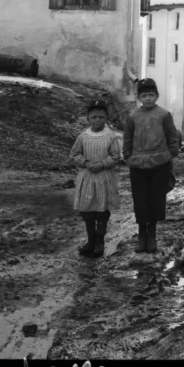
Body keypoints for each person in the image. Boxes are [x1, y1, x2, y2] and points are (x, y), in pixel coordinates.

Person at [123, 79, 181, 253]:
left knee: (156, 199)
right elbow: (127, 138)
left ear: (157, 96)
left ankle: (152, 235)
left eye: (151, 95)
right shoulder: (133, 117)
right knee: (140, 199)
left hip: (159, 164)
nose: (148, 98)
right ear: (139, 97)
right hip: (138, 165)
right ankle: (142, 236)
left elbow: (173, 136)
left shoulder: (164, 115)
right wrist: (128, 156)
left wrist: (171, 154)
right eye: (144, 95)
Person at [69, 100, 122, 259]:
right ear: (88, 118)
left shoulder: (110, 136)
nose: (97, 120)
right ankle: (90, 241)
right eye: (94, 117)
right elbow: (73, 155)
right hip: (87, 178)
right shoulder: (83, 136)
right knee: (88, 211)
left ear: (106, 117)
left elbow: (116, 156)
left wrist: (101, 164)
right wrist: (85, 162)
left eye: (101, 117)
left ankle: (100, 242)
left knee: (102, 212)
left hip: (104, 178)